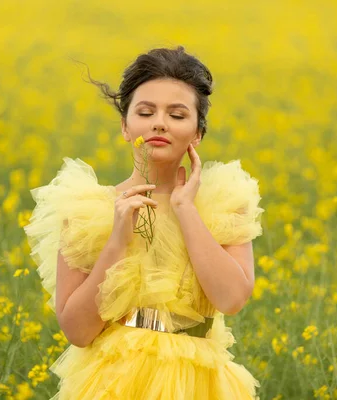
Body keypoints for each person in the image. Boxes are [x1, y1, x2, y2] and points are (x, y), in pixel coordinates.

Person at [24, 46, 265, 399]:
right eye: (146, 111)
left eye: (177, 114)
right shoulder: (87, 210)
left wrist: (186, 209)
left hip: (200, 382)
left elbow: (230, 299)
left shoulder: (223, 204)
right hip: (114, 380)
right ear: (125, 126)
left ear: (197, 133)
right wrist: (116, 241)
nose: (159, 123)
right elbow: (77, 331)